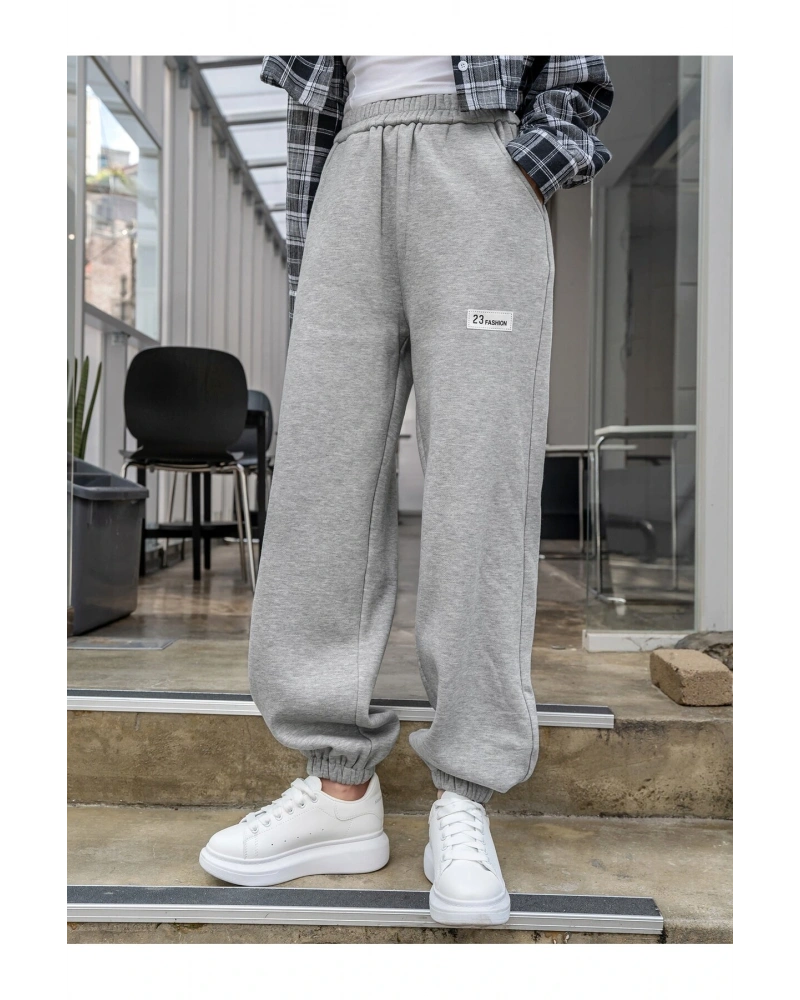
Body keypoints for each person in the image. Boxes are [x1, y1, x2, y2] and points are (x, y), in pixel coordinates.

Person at [200, 55, 614, 926]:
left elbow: (576, 70)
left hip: (480, 158)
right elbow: (315, 103)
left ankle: (464, 793)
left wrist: (525, 166)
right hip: (349, 165)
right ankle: (336, 791)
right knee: (319, 481)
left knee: (479, 483)